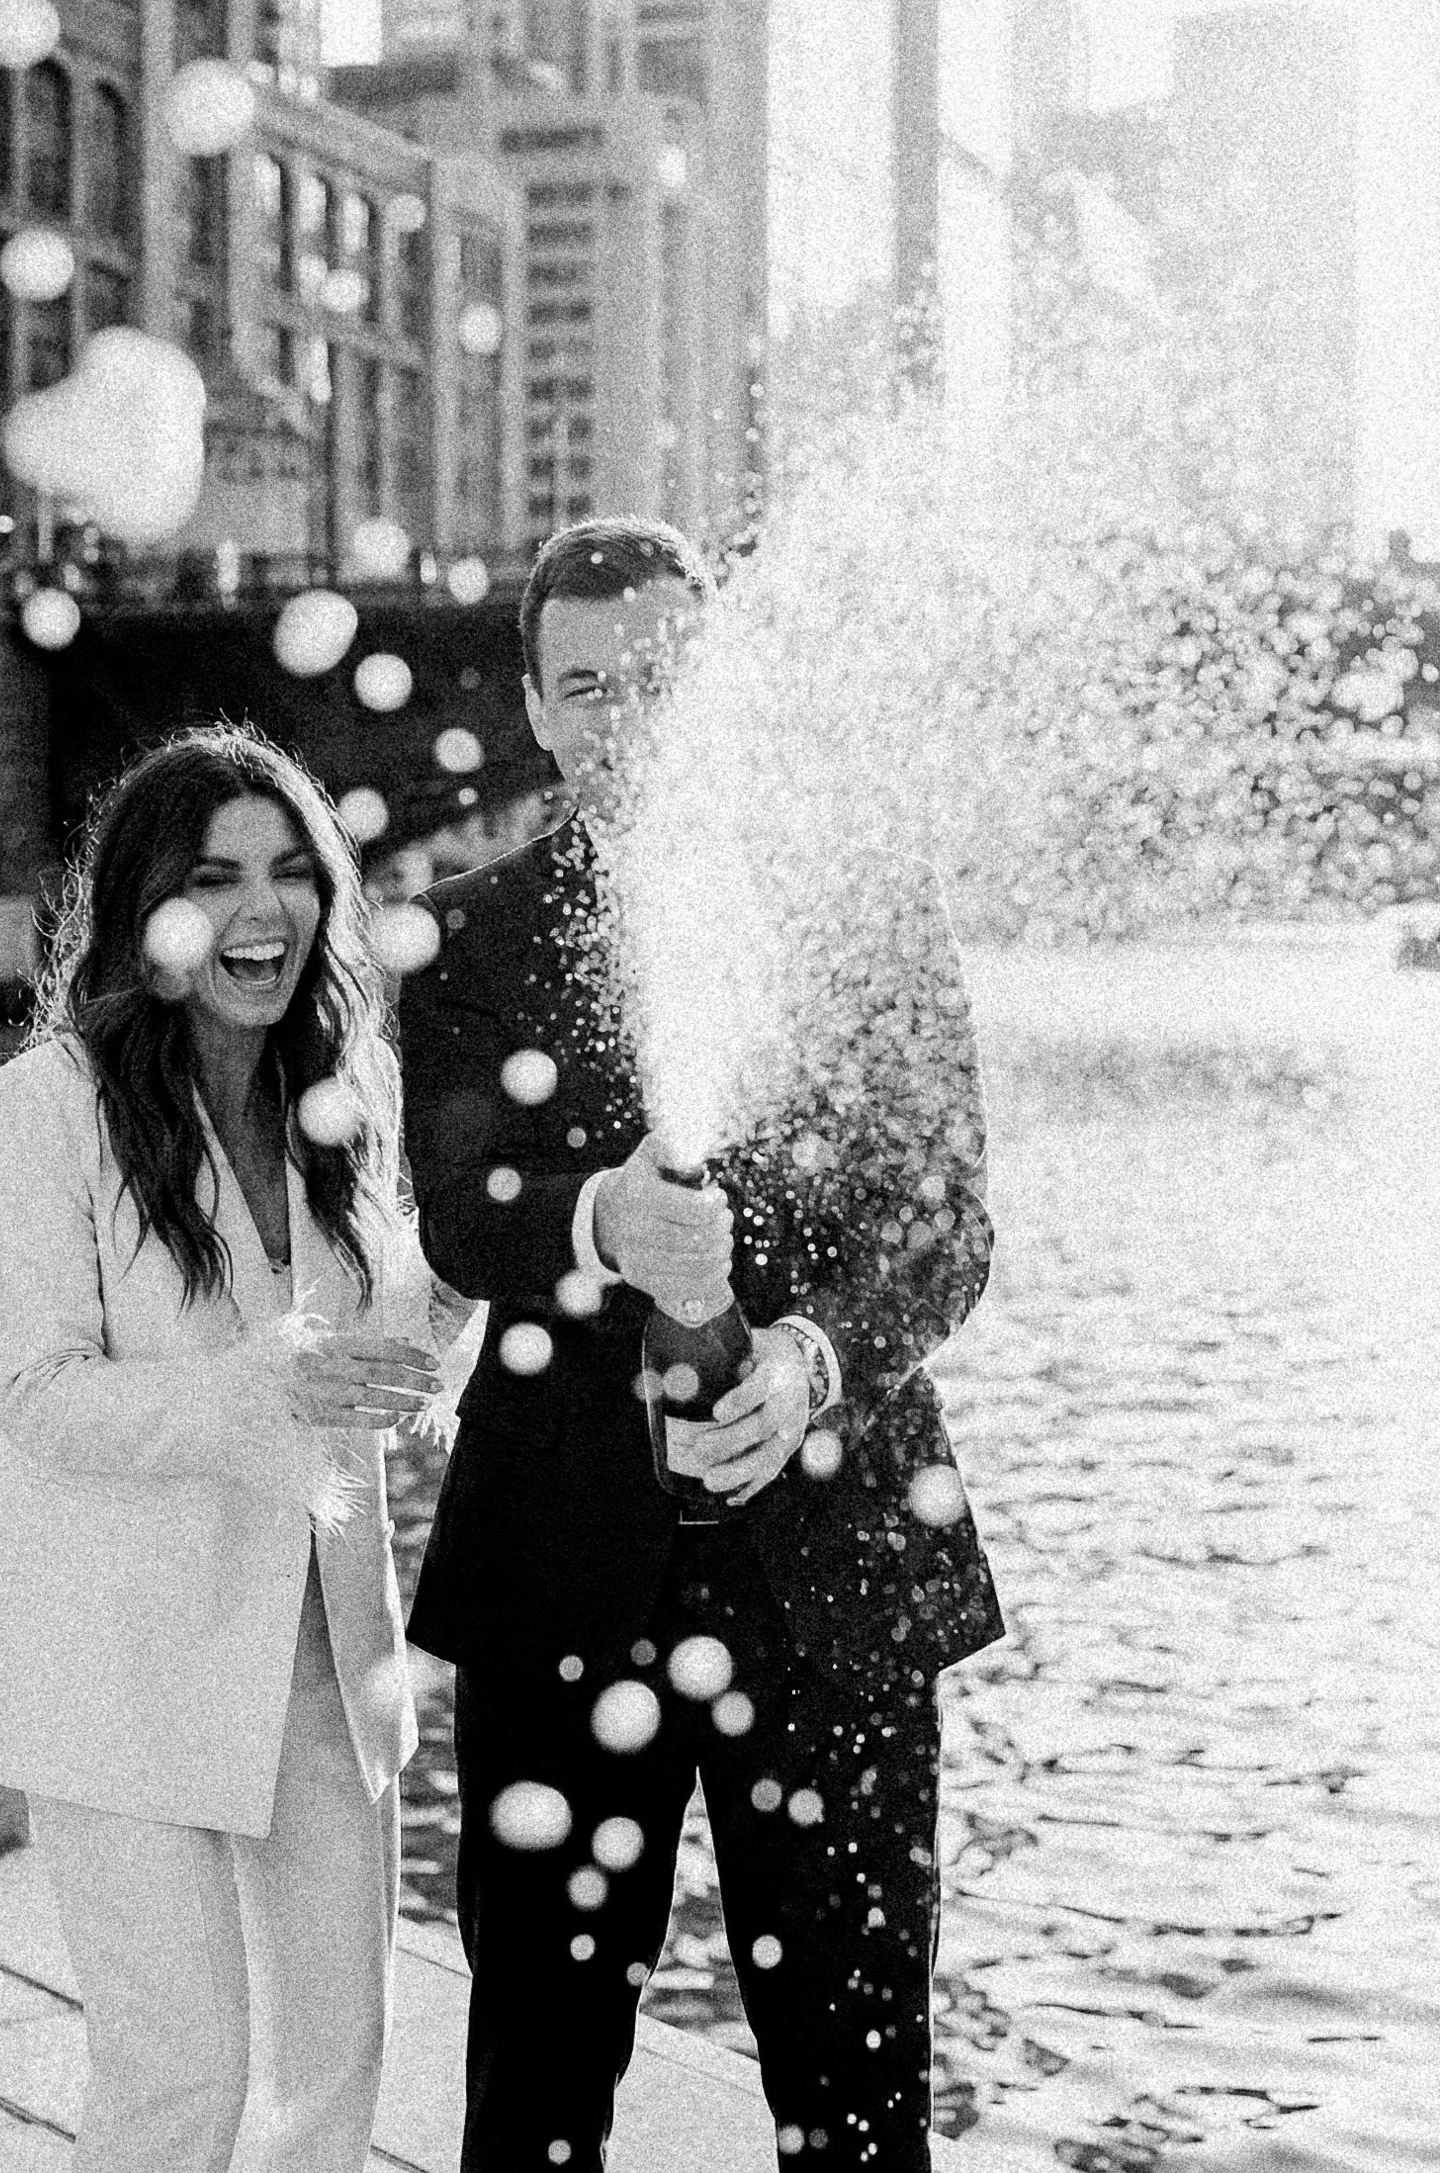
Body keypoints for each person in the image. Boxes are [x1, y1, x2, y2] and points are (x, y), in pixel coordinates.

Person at [396, 519, 1006, 2173]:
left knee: (860, 2081)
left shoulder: (867, 910)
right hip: (560, 1581)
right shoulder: (461, 935)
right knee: (538, 2072)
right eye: (585, 686)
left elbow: (947, 1230)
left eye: (660, 677)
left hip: (839, 1581)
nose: (625, 720)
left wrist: (810, 1357)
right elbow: (457, 1206)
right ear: (534, 707)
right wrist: (591, 1215)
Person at [0, 724, 440, 2173]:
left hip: (322, 1658)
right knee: (181, 2078)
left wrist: (461, 1309)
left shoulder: (348, 1098)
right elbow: (38, 1394)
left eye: (293, 873)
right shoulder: (42, 1106)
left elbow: (401, 1348)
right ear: (148, 905)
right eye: (219, 876)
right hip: (119, 1653)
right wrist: (262, 1386)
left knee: (332, 2075)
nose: (264, 911)